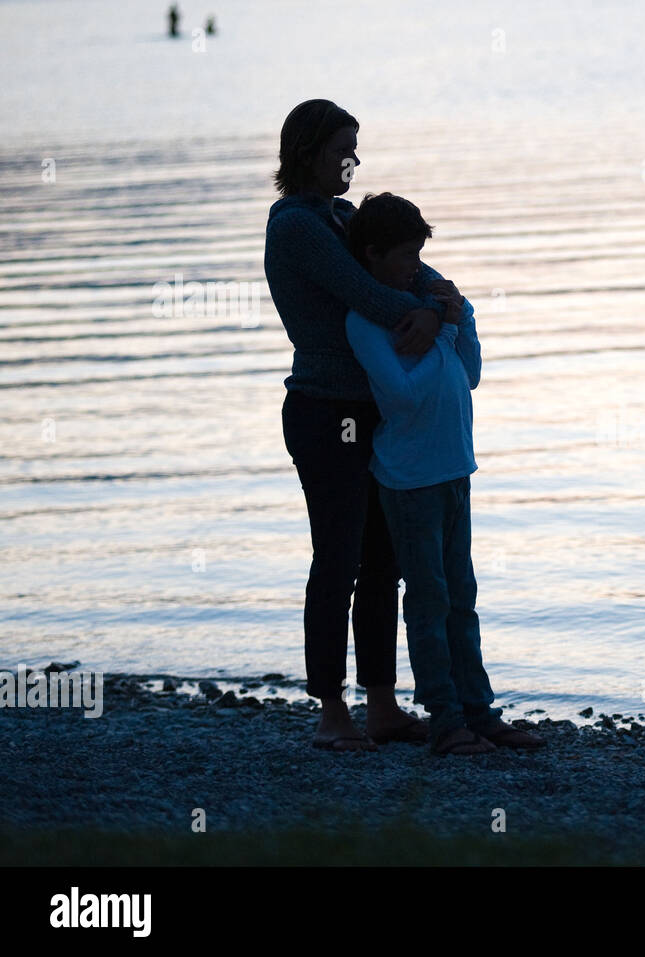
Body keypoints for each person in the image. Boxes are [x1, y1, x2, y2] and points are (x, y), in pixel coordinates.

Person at [264, 99, 446, 751]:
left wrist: (440, 301)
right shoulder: (295, 227)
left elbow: (410, 269)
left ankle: (383, 704)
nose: (353, 160)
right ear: (308, 153)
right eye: (342, 148)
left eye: (356, 148)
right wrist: (429, 313)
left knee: (383, 557)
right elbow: (368, 294)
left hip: (371, 408)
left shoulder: (343, 216)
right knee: (337, 557)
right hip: (323, 411)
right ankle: (331, 711)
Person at [343, 193, 543, 755]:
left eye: (420, 255)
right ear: (374, 254)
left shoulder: (427, 306)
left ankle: (479, 713)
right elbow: (403, 399)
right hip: (409, 480)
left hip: (456, 468)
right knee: (429, 600)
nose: (416, 267)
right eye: (406, 256)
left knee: (463, 597)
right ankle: (445, 720)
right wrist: (445, 334)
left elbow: (470, 375)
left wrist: (463, 316)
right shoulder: (369, 321)